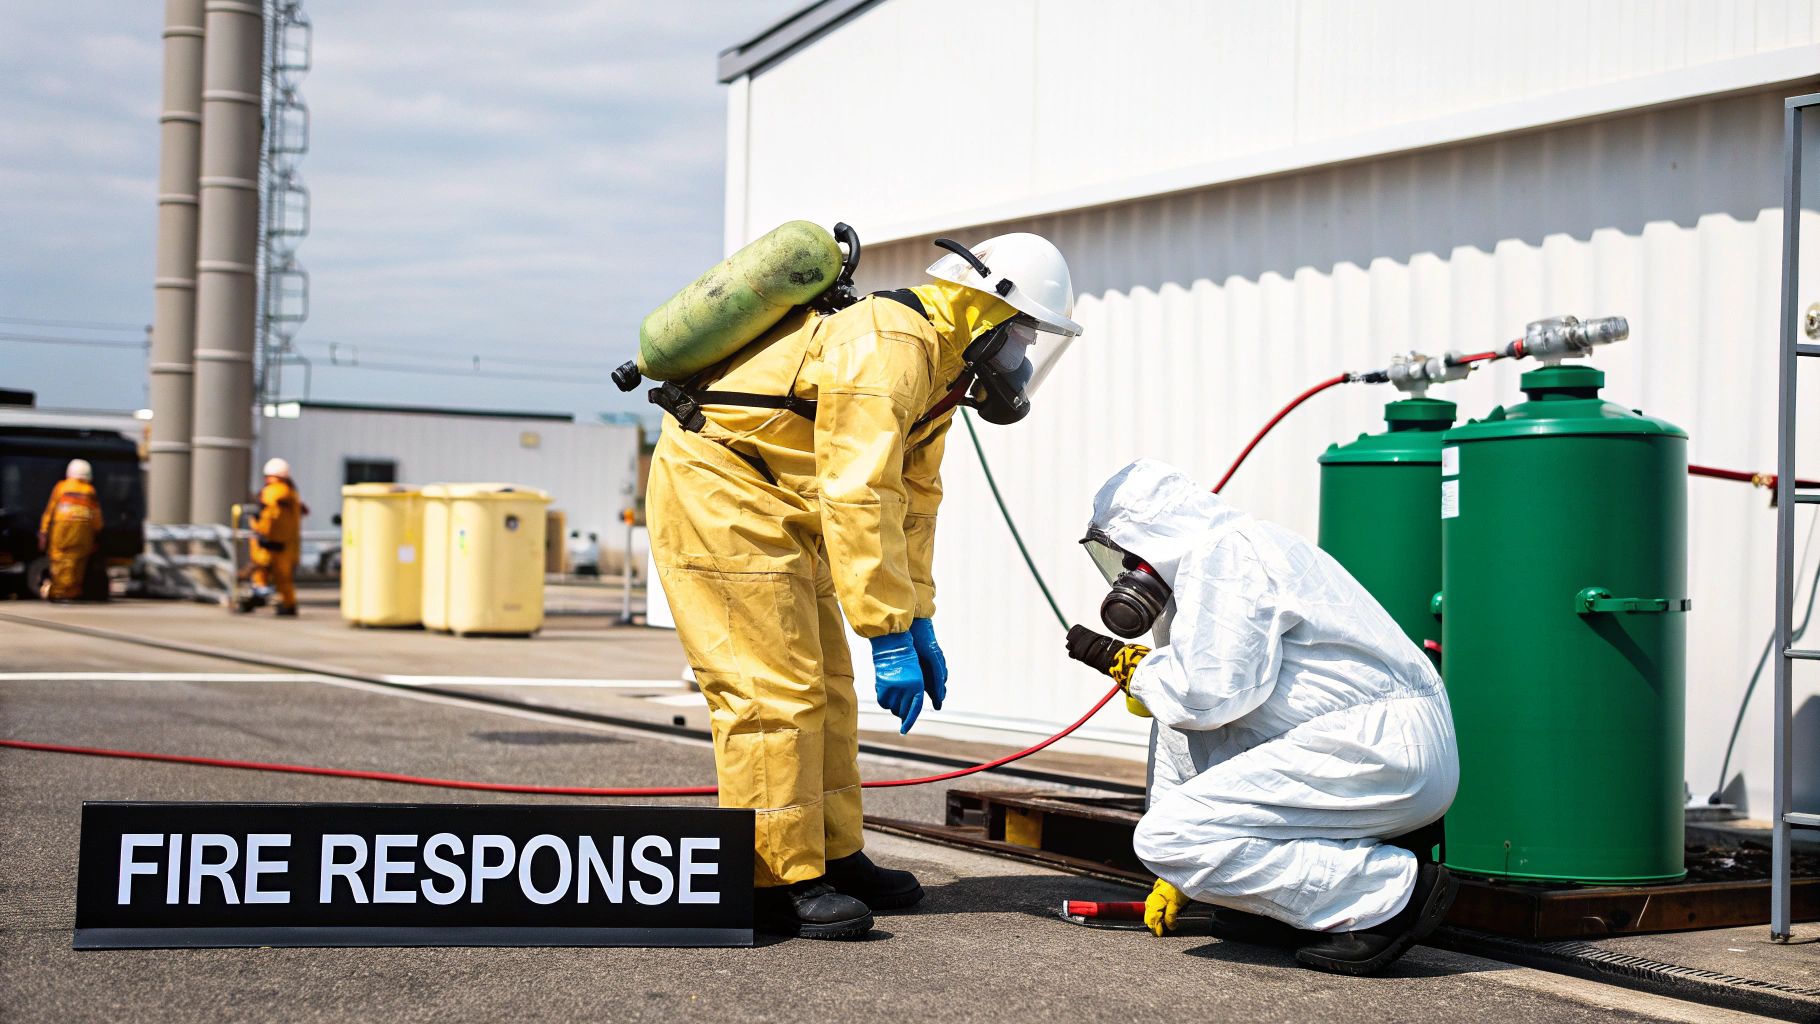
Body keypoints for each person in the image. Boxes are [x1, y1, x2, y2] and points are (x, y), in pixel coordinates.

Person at [647, 232, 1083, 938]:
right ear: (985, 309)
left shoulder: (941, 371)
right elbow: (858, 493)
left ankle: (832, 852)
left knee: (828, 692)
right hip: (722, 495)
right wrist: (886, 630)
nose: (1024, 355)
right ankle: (771, 878)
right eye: (1024, 333)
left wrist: (918, 620)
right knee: (773, 695)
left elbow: (912, 505)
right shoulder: (890, 345)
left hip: (782, 509)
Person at [1065, 458, 1459, 976]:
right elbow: (1183, 732)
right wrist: (1184, 874)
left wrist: (1130, 668)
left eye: (1128, 554)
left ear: (1152, 535)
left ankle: (1392, 894)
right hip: (1356, 751)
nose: (1128, 575)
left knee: (1165, 838)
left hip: (1375, 749)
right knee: (1171, 835)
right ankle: (1288, 912)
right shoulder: (1200, 581)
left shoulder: (1227, 555)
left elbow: (1203, 697)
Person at [239, 457, 308, 617]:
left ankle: (260, 597)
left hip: (270, 542)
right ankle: (288, 604)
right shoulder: (291, 492)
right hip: (287, 543)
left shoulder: (274, 491)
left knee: (262, 572)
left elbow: (269, 514)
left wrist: (262, 532)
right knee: (283, 577)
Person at [38, 459, 102, 602]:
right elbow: (96, 516)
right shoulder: (89, 490)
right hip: (83, 533)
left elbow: (50, 511)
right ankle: (72, 593)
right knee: (78, 562)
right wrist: (98, 533)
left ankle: (59, 592)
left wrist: (43, 530)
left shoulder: (61, 487)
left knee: (60, 560)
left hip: (61, 531)